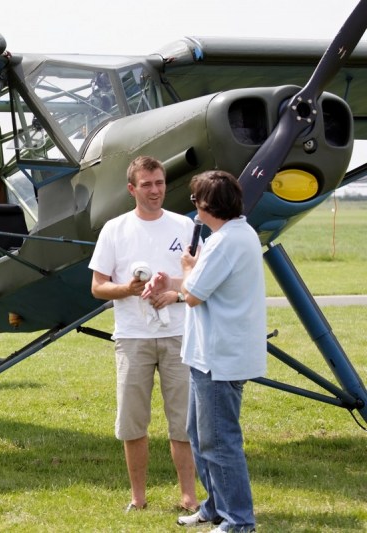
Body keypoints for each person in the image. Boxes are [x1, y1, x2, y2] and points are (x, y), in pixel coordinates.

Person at [146, 170, 266, 533]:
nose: (193, 206)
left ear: (207, 205)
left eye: (196, 199)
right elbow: (204, 282)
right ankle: (215, 507)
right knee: (198, 435)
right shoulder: (231, 236)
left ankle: (238, 520)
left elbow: (196, 293)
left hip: (220, 357)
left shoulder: (227, 241)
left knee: (219, 441)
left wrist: (185, 272)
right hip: (207, 355)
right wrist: (174, 280)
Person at [88, 155, 199, 513]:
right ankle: (138, 497)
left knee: (182, 420)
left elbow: (198, 281)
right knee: (133, 420)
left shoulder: (185, 226)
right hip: (132, 337)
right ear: (132, 189)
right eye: (147, 184)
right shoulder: (115, 229)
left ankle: (189, 496)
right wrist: (129, 290)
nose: (156, 190)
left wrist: (171, 288)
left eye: (160, 182)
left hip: (179, 334)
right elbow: (98, 287)